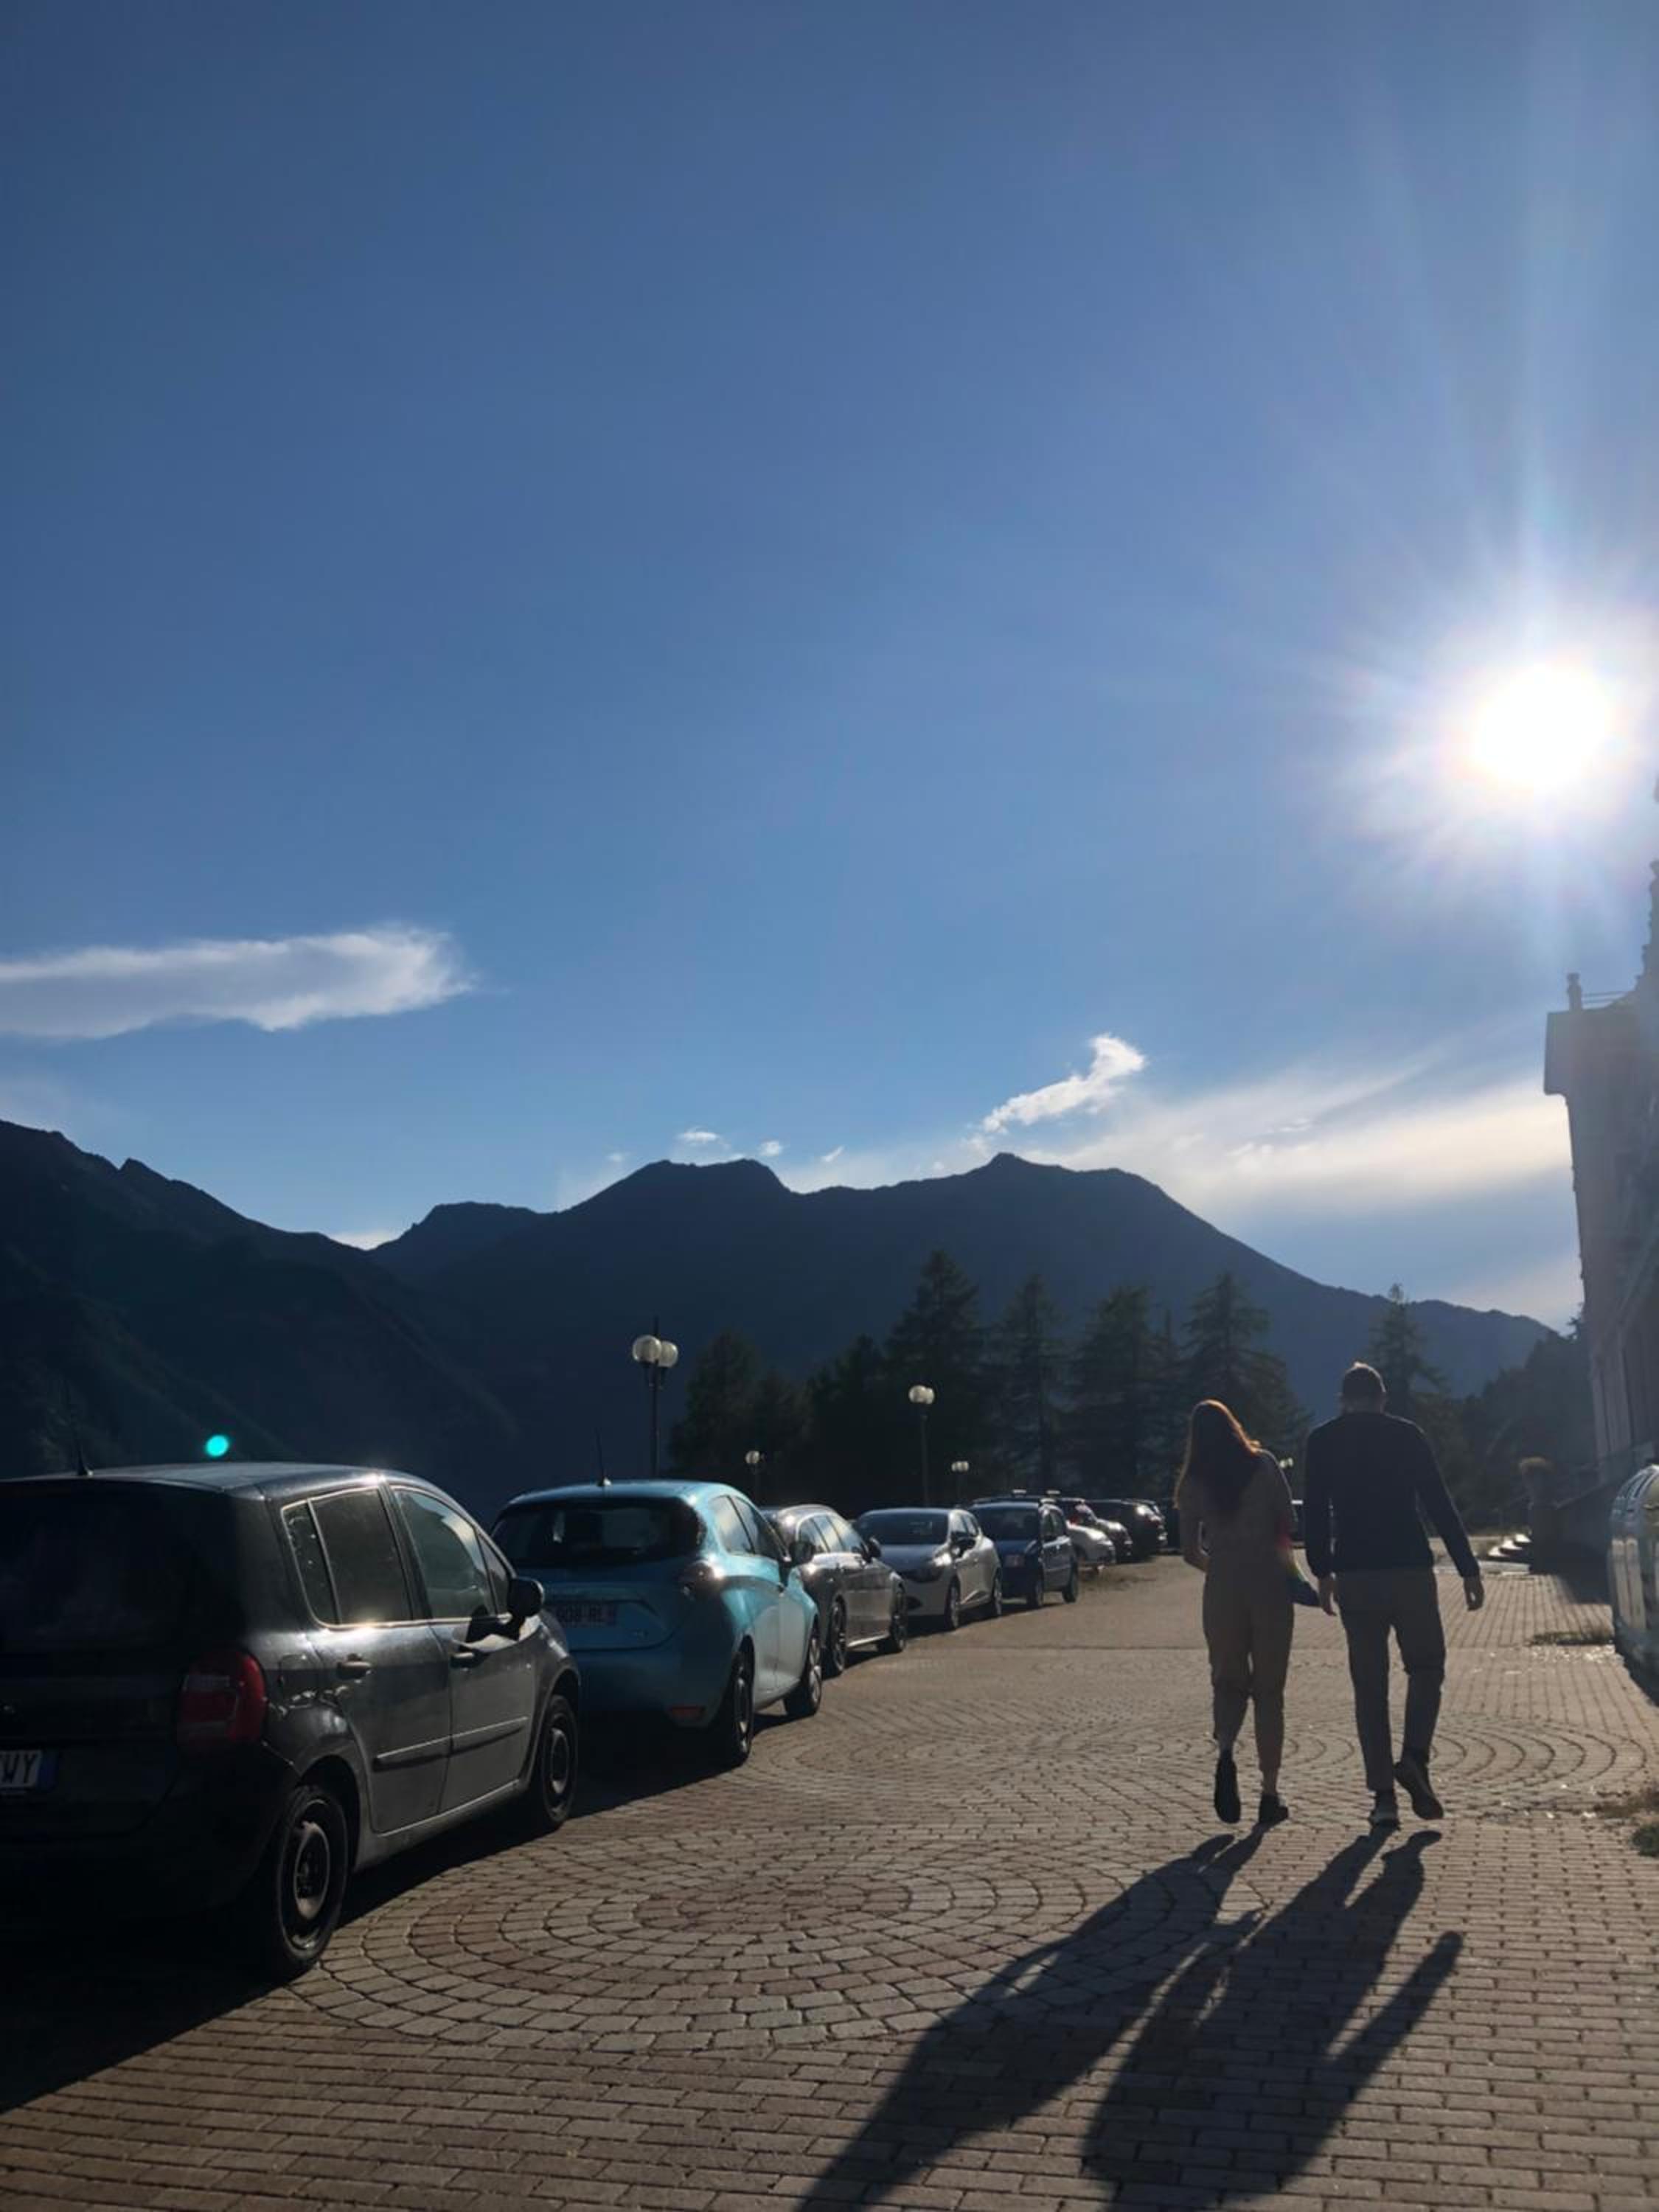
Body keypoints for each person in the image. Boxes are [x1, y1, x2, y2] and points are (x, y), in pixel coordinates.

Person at [1303, 1361, 1484, 1832]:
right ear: (1382, 1398)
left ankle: (1384, 1797)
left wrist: (1322, 1571)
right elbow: (1439, 1502)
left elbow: (1315, 1512)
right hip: (1409, 1570)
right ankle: (1415, 1758)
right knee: (1426, 1667)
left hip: (1355, 1573)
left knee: (1370, 1686)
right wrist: (1467, 1567)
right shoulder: (1407, 1435)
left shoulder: (1322, 1441)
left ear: (1343, 1401)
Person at [1176, 1399, 1296, 1828]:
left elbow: (1189, 1552)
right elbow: (1288, 1521)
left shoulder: (1193, 1481)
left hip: (1223, 1588)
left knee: (1227, 1681)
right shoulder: (1263, 1464)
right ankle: (1269, 1792)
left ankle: (1226, 1750)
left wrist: (1220, 1565)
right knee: (1269, 1690)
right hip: (1269, 1584)